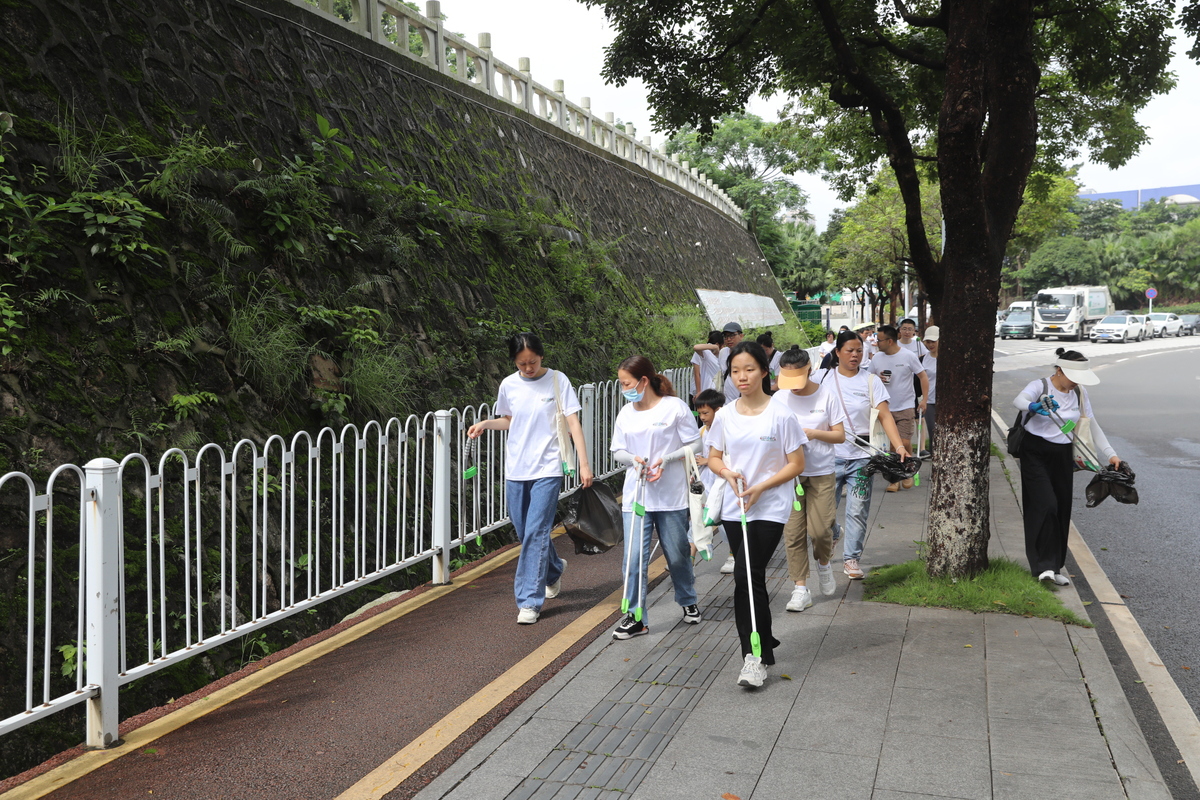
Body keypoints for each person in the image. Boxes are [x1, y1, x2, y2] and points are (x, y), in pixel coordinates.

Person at [468, 332, 593, 625]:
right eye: (522, 364)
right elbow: (509, 420)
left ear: (541, 356)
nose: (528, 368)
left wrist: (583, 464)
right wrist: (487, 423)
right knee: (526, 533)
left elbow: (573, 423)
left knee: (536, 531)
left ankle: (528, 602)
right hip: (517, 468)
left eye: (532, 362)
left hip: (548, 468)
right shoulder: (508, 385)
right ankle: (552, 570)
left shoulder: (558, 381)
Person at [707, 341, 806, 688]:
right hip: (737, 506)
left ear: (765, 370)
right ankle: (762, 645)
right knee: (747, 578)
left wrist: (763, 486)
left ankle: (754, 658)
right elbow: (715, 457)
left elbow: (797, 463)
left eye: (749, 369)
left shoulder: (781, 414)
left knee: (748, 574)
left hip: (771, 506)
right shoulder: (725, 414)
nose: (742, 377)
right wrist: (726, 473)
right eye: (735, 371)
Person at [610, 356, 703, 638]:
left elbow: (695, 442)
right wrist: (634, 460)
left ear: (644, 381)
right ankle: (636, 617)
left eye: (627, 383)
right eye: (621, 383)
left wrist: (667, 459)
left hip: (671, 496)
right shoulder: (626, 412)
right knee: (633, 558)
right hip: (637, 495)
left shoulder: (674, 407)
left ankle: (687, 600)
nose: (624, 388)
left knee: (676, 556)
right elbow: (617, 450)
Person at [1013, 349, 1119, 585]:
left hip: (1062, 455)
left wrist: (1111, 454)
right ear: (1059, 370)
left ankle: (1054, 567)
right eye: (1072, 377)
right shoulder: (1039, 385)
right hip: (1035, 452)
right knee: (1044, 504)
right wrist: (1033, 406)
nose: (1075, 383)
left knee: (1061, 508)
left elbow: (1091, 425)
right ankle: (1041, 566)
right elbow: (1018, 401)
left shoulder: (1079, 392)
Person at [814, 331, 909, 580]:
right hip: (828, 457)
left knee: (857, 509)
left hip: (863, 457)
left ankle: (851, 559)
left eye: (859, 350)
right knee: (822, 516)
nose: (855, 355)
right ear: (837, 353)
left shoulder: (870, 381)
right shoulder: (821, 378)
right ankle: (834, 533)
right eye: (849, 350)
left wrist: (898, 446)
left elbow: (885, 415)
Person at [771, 348, 846, 612]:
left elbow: (840, 436)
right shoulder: (779, 398)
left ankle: (824, 563)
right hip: (790, 475)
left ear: (809, 370)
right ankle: (800, 589)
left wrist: (814, 433)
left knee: (820, 531)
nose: (792, 387)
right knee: (792, 534)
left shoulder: (827, 396)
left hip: (821, 473)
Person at [868, 324, 928, 491]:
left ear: (890, 341)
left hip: (906, 406)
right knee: (893, 446)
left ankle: (905, 470)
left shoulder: (908, 356)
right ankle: (894, 479)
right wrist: (876, 379)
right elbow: (868, 378)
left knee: (904, 442)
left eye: (878, 340)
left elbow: (923, 376)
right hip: (884, 407)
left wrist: (924, 399)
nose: (876, 342)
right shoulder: (877, 358)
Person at [695, 389, 739, 576]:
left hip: (721, 480)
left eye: (706, 413)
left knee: (724, 520)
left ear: (718, 411)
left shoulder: (729, 430)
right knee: (698, 517)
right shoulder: (702, 431)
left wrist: (707, 461)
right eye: (700, 414)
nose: (703, 417)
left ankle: (733, 555)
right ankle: (688, 559)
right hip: (706, 480)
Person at [920, 326, 939, 456]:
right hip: (930, 401)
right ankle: (935, 463)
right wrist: (923, 400)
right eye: (928, 342)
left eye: (933, 341)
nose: (930, 345)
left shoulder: (951, 358)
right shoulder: (923, 359)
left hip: (948, 402)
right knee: (933, 433)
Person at [691, 331, 723, 398]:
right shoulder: (705, 353)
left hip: (717, 391)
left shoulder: (723, 354)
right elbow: (697, 374)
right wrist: (698, 392)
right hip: (703, 390)